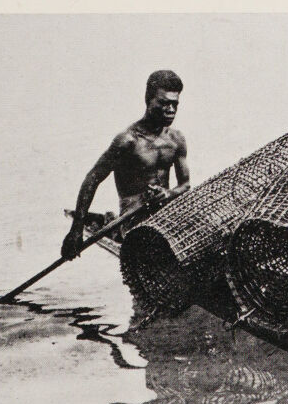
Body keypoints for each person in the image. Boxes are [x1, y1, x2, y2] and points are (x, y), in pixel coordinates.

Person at [60, 69, 190, 260]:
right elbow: (92, 179)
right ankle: (112, 227)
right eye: (163, 103)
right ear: (148, 100)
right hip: (134, 223)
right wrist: (76, 230)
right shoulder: (128, 141)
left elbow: (185, 185)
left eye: (174, 104)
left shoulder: (176, 139)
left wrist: (167, 194)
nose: (170, 110)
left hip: (166, 217)